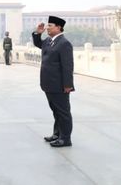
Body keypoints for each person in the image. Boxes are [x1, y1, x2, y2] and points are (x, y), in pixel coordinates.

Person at [33, 16, 74, 148]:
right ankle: (57, 134)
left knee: (63, 112)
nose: (47, 28)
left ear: (58, 27)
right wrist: (37, 34)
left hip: (59, 85)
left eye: (50, 25)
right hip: (48, 84)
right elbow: (39, 44)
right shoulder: (49, 41)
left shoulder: (64, 43)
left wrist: (68, 85)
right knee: (56, 111)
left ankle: (65, 138)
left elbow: (68, 66)